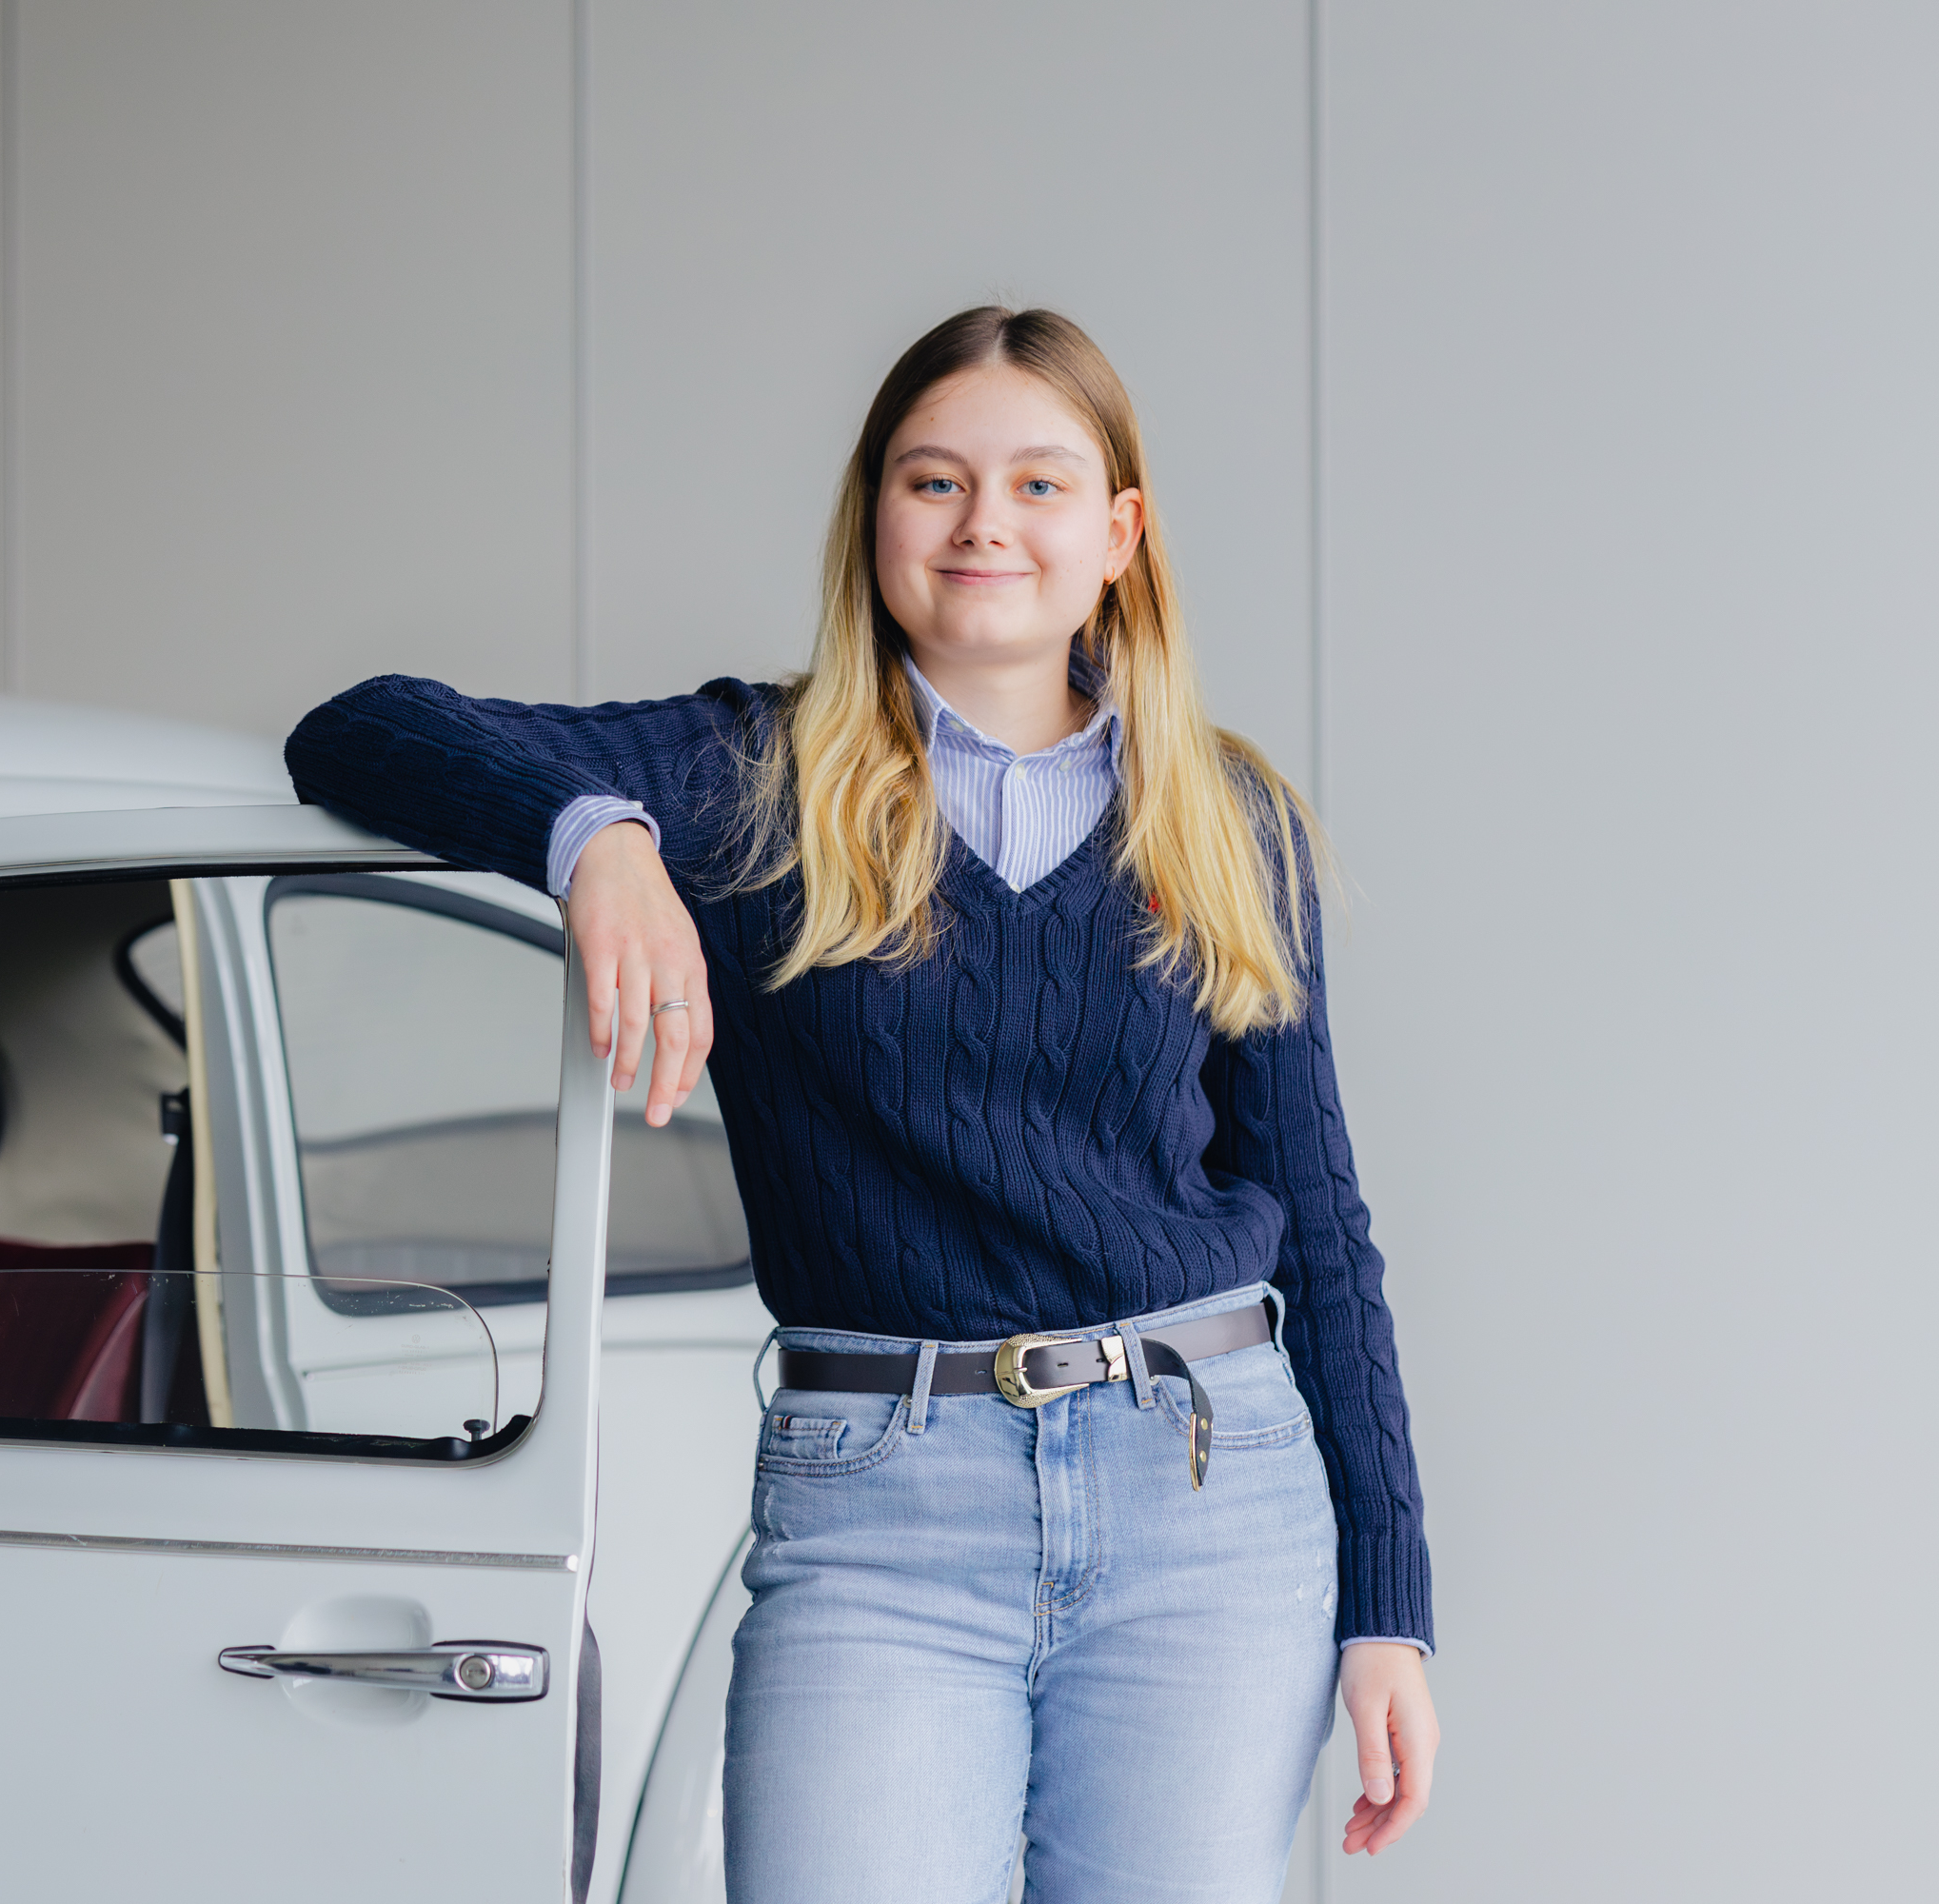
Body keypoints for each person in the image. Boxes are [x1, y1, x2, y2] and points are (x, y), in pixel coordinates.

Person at [285, 306, 1434, 1902]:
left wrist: (1389, 1606)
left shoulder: (1227, 820)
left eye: (1040, 484)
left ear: (1119, 535)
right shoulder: (749, 775)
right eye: (933, 479)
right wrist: (600, 843)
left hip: (1209, 1499)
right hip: (885, 1514)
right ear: (874, 513)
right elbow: (356, 731)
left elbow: (1324, 1234)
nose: (983, 524)